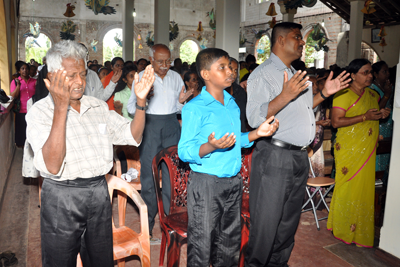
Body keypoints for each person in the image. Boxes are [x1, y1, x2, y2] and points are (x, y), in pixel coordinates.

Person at [25, 40, 155, 267]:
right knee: (60, 261)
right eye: (71, 75)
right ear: (51, 78)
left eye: (82, 74)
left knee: (100, 260)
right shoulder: (39, 112)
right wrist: (60, 107)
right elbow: (53, 166)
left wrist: (141, 102)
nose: (79, 82)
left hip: (98, 193)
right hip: (62, 197)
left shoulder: (97, 107)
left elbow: (132, 136)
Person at [245, 22, 351, 266]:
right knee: (267, 224)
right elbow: (253, 118)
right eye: (297, 37)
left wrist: (324, 94)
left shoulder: (295, 74)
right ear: (280, 40)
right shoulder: (262, 74)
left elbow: (301, 109)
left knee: (287, 223)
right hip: (274, 155)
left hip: (298, 157)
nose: (303, 42)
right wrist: (284, 96)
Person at [178, 48, 279, 266]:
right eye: (222, 68)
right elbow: (184, 151)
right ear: (205, 74)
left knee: (229, 243)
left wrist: (256, 133)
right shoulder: (195, 108)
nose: (230, 72)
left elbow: (236, 139)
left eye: (231, 68)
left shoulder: (232, 103)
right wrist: (210, 146)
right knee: (202, 245)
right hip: (206, 183)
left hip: (233, 181)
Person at [126, 44, 194, 240]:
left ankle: (171, 223)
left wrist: (182, 102)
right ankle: (148, 225)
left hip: (171, 125)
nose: (165, 65)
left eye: (168, 61)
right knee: (149, 176)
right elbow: (132, 108)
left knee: (173, 173)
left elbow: (178, 108)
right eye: (160, 61)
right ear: (151, 59)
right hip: (150, 127)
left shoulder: (175, 77)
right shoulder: (141, 78)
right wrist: (144, 99)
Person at [328, 58, 390, 248]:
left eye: (371, 72)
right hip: (348, 151)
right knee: (347, 188)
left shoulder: (372, 95)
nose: (370, 76)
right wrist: (365, 117)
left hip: (367, 151)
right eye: (365, 72)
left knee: (363, 190)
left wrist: (381, 114)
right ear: (353, 75)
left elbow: (372, 115)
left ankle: (359, 230)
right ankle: (342, 226)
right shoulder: (342, 95)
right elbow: (336, 122)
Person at [371, 61, 393, 175]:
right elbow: (376, 110)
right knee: (378, 153)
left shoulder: (386, 86)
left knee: (387, 153)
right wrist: (387, 95)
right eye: (384, 71)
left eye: (388, 71)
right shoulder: (372, 89)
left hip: (388, 125)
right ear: (375, 74)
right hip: (379, 125)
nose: (387, 74)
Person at [10, 61, 36, 147]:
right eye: (22, 69)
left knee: (33, 132)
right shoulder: (15, 82)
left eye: (26, 69)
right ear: (19, 71)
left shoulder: (34, 81)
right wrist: (18, 85)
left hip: (33, 111)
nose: (25, 71)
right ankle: (22, 151)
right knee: (22, 133)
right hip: (21, 111)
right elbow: (13, 96)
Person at [226, 57, 249, 132]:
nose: (233, 73)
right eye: (230, 69)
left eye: (236, 70)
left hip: (240, 135)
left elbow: (245, 116)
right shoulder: (216, 92)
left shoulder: (240, 91)